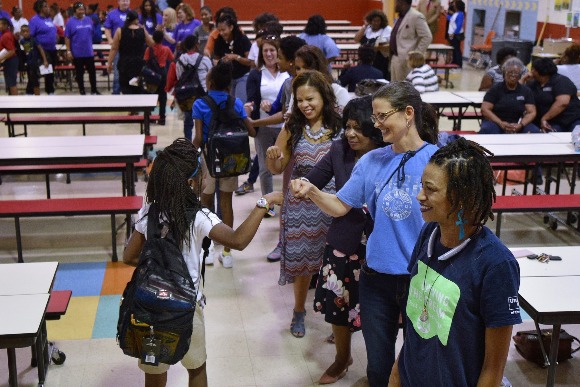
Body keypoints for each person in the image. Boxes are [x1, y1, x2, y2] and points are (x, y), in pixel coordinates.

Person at [290, 81, 439, 386]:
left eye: (383, 116)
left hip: (422, 278)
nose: (376, 123)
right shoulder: (372, 161)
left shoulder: (437, 161)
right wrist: (313, 191)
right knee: (378, 366)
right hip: (376, 280)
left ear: (408, 113)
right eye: (375, 116)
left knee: (422, 360)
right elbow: (341, 205)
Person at [123, 138, 283, 387]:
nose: (206, 180)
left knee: (154, 373)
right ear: (189, 183)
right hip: (187, 308)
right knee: (196, 368)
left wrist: (159, 271)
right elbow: (238, 240)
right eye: (202, 175)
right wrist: (265, 203)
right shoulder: (199, 216)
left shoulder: (149, 211)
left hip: (150, 308)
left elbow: (129, 256)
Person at [390, 138, 522, 386]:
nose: (420, 196)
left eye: (430, 189)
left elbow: (492, 370)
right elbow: (416, 325)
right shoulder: (428, 234)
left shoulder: (496, 265)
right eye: (421, 186)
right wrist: (396, 375)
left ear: (461, 197)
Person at [292, 96, 386, 383]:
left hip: (381, 246)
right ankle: (342, 359)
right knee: (338, 307)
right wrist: (302, 184)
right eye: (348, 126)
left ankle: (380, 369)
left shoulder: (389, 155)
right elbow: (314, 179)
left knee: (378, 313)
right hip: (344, 243)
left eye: (358, 128)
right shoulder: (339, 150)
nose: (351, 133)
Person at [265, 70, 342, 338]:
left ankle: (338, 320)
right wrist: (273, 156)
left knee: (336, 264)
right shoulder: (292, 127)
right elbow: (278, 167)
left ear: (324, 96)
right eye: (299, 100)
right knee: (304, 264)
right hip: (301, 207)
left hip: (335, 205)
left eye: (310, 98)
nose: (304, 105)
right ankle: (299, 311)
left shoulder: (341, 124)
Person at [191, 61, 256, 268]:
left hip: (210, 159)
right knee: (226, 203)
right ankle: (227, 252)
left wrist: (190, 154)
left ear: (209, 82)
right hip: (231, 159)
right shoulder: (235, 102)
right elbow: (251, 131)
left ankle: (207, 249)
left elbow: (199, 137)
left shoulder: (200, 104)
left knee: (206, 202)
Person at [245, 35, 289, 217]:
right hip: (263, 126)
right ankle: (267, 205)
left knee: (287, 165)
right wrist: (252, 108)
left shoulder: (287, 73)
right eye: (265, 51)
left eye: (272, 50)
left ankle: (288, 203)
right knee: (264, 167)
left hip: (285, 127)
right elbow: (251, 100)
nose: (269, 54)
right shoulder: (256, 74)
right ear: (261, 54)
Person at [480, 57, 540, 134]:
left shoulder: (526, 91)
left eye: (516, 73)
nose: (513, 75)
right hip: (496, 122)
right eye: (510, 72)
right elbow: (485, 109)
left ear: (520, 75)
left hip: (518, 123)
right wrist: (501, 123)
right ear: (504, 73)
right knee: (487, 130)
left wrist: (521, 125)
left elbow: (531, 112)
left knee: (534, 131)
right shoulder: (495, 89)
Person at [168, 34, 212, 139]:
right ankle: (204, 142)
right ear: (197, 45)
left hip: (187, 94)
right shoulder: (205, 60)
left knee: (188, 119)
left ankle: (189, 144)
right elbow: (210, 77)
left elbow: (179, 77)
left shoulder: (180, 60)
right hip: (203, 93)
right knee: (204, 118)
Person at [525, 58, 580, 132]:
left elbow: (562, 103)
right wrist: (522, 80)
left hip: (570, 120)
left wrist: (545, 118)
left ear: (540, 71)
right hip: (551, 123)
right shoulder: (533, 84)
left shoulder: (561, 81)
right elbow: (520, 94)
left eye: (533, 69)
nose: (531, 72)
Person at [294, 45, 351, 114]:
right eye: (298, 68)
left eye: (306, 67)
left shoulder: (338, 92)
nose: (301, 72)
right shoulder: (297, 92)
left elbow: (346, 121)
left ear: (318, 67)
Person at [107, 10, 154, 95]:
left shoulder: (119, 31)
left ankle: (129, 106)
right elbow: (151, 44)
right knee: (138, 88)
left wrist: (109, 63)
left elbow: (114, 49)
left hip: (124, 64)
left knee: (126, 88)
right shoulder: (142, 30)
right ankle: (137, 107)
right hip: (139, 64)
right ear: (136, 19)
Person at [389, 0, 432, 82]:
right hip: (395, 57)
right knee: (394, 89)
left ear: (403, 3)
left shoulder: (416, 16)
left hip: (406, 59)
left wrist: (416, 55)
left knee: (404, 90)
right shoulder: (400, 17)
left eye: (397, 2)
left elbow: (427, 36)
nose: (395, 5)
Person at [213, 13, 252, 102]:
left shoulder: (242, 39)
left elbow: (250, 61)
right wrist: (220, 62)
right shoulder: (219, 41)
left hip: (242, 75)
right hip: (227, 78)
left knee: (239, 103)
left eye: (223, 30)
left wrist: (236, 57)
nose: (221, 33)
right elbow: (215, 59)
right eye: (219, 30)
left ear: (231, 27)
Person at [65, 2, 99, 95]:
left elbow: (92, 33)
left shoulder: (89, 20)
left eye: (83, 9)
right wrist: (68, 51)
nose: (82, 11)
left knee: (92, 72)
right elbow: (67, 37)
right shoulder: (70, 22)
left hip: (88, 51)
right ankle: (82, 90)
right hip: (77, 52)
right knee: (79, 73)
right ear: (75, 10)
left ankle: (94, 90)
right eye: (79, 9)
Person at [144, 30, 174, 125]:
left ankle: (149, 116)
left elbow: (145, 61)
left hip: (152, 75)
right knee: (163, 96)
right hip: (163, 75)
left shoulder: (149, 50)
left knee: (150, 95)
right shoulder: (166, 49)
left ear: (153, 38)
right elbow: (172, 59)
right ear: (162, 39)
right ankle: (162, 118)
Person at [29, 0, 57, 95]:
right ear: (40, 8)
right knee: (42, 72)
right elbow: (31, 36)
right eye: (45, 6)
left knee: (50, 71)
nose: (48, 8)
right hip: (41, 50)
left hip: (52, 49)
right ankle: (34, 92)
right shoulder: (34, 20)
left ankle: (49, 90)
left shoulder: (48, 19)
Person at [354, 9, 392, 79]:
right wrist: (364, 26)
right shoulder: (367, 29)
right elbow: (356, 39)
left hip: (380, 61)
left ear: (382, 21)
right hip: (365, 62)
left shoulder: (387, 30)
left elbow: (389, 45)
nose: (376, 23)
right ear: (370, 21)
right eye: (374, 21)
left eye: (378, 21)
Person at [104, 0, 131, 95]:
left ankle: (129, 94)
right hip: (117, 48)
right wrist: (110, 40)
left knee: (130, 72)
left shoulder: (133, 14)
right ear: (118, 2)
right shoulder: (112, 14)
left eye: (127, 1)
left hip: (130, 48)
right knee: (117, 72)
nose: (125, 3)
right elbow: (107, 28)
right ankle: (115, 93)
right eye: (123, 1)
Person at [19, 24, 48, 95]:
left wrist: (45, 60)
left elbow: (41, 49)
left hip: (35, 63)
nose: (25, 33)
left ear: (29, 31)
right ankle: (29, 93)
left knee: (35, 80)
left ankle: (37, 95)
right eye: (23, 31)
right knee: (30, 79)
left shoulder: (34, 39)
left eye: (27, 31)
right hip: (28, 64)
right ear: (21, 33)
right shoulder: (22, 41)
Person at [0, 17, 18, 95]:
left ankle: (16, 104)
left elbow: (11, 51)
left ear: (5, 25)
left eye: (0, 24)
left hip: (11, 61)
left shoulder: (6, 36)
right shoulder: (7, 34)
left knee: (12, 83)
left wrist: (1, 58)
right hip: (9, 61)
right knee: (10, 83)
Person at [447, 0, 464, 68]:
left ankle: (459, 64)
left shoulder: (460, 14)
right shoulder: (456, 13)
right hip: (452, 34)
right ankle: (454, 62)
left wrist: (454, 33)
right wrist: (445, 13)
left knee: (456, 49)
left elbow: (459, 25)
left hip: (456, 35)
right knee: (453, 49)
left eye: (454, 5)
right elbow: (451, 19)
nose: (453, 6)